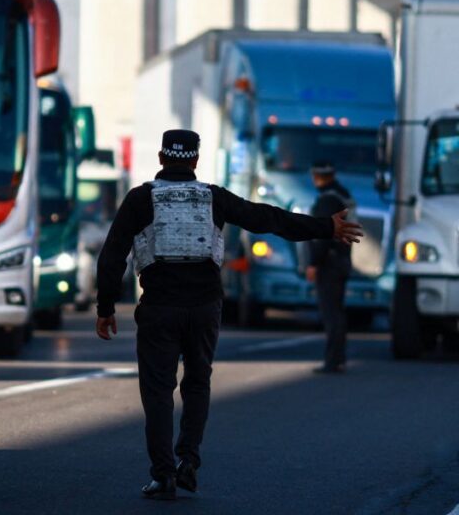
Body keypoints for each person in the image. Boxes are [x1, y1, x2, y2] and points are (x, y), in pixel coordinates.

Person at [94, 130, 362, 501]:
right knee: (198, 383)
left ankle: (163, 474)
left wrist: (105, 307)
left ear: (160, 157)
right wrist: (325, 228)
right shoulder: (213, 197)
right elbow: (267, 218)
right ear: (195, 161)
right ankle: (188, 461)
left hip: (160, 306)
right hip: (205, 305)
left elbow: (112, 256)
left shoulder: (141, 199)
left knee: (158, 391)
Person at [306, 161, 354, 374]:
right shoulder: (343, 194)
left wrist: (314, 262)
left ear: (317, 176)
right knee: (338, 311)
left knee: (331, 313)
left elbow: (323, 234)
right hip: (342, 259)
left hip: (330, 262)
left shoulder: (327, 199)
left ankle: (333, 361)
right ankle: (339, 358)